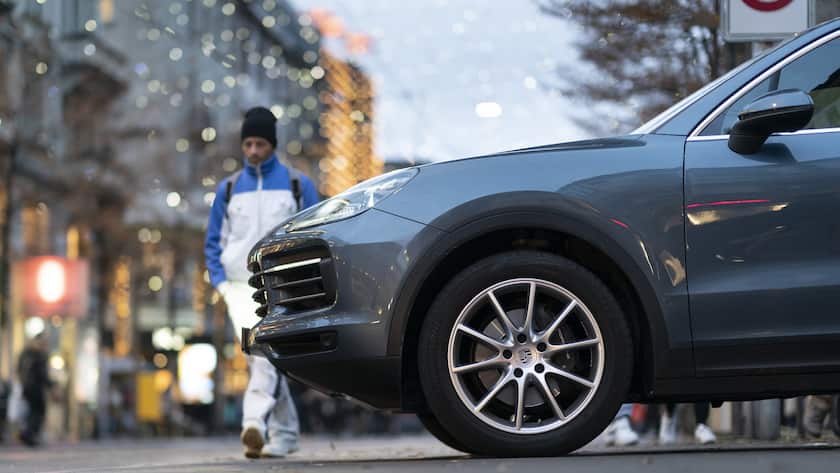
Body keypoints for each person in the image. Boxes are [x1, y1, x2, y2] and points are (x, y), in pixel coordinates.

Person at [204, 106, 319, 458]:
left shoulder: (298, 185)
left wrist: (303, 283)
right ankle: (284, 435)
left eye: (260, 144)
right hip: (239, 288)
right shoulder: (227, 190)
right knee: (263, 358)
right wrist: (222, 285)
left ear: (272, 144)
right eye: (248, 144)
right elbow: (213, 242)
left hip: (282, 288)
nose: (253, 151)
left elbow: (315, 234)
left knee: (264, 355)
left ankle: (253, 421)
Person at [16, 332, 52, 447]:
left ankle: (28, 434)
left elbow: (19, 370)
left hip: (27, 387)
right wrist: (51, 385)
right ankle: (28, 434)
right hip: (35, 388)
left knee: (32, 411)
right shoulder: (38, 355)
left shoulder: (24, 353)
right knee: (38, 411)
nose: (44, 345)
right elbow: (42, 374)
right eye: (42, 343)